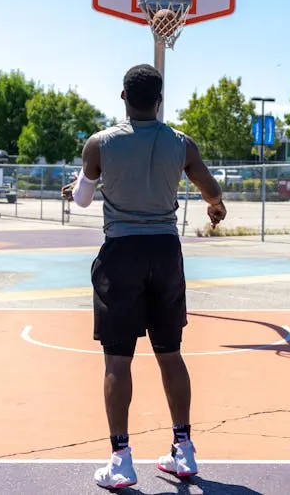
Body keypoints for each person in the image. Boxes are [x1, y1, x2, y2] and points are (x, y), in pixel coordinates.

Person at [61, 64, 227, 490]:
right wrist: (215, 208)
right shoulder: (181, 143)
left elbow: (81, 200)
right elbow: (212, 190)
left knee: (118, 359)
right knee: (170, 354)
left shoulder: (99, 143)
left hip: (122, 254)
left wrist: (74, 188)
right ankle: (184, 451)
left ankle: (121, 460)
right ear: (159, 99)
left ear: (123, 97)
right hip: (165, 253)